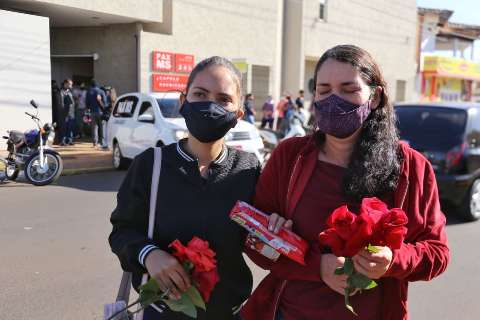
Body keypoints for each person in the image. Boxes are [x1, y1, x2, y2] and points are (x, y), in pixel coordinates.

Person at [242, 45, 450, 320]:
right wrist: (316, 265)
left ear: (374, 97)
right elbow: (253, 238)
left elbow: (437, 253)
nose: (334, 100)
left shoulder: (411, 167)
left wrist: (392, 260)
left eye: (348, 89)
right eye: (324, 90)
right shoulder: (289, 157)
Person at [109, 56, 264, 320]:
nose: (209, 105)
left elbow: (259, 239)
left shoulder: (249, 170)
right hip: (162, 312)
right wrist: (150, 255)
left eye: (223, 99)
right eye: (200, 94)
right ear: (184, 101)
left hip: (230, 314)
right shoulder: (151, 165)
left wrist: (275, 229)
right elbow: (122, 231)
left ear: (238, 115)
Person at [86, 80, 107, 147]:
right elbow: (105, 102)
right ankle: (101, 142)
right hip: (100, 112)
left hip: (92, 111)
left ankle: (94, 142)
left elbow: (87, 102)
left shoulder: (89, 91)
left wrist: (88, 108)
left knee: (94, 127)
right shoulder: (101, 91)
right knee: (101, 127)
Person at [60, 79, 75, 145]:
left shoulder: (70, 92)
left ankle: (70, 140)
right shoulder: (61, 92)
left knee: (70, 127)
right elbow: (62, 103)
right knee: (64, 127)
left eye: (71, 84)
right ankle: (63, 141)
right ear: (65, 84)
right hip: (65, 113)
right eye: (70, 84)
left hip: (71, 112)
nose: (71, 85)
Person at [51, 80, 64, 144]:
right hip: (60, 111)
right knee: (60, 127)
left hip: (54, 111)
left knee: (54, 127)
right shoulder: (59, 91)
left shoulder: (53, 91)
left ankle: (55, 140)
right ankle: (60, 140)